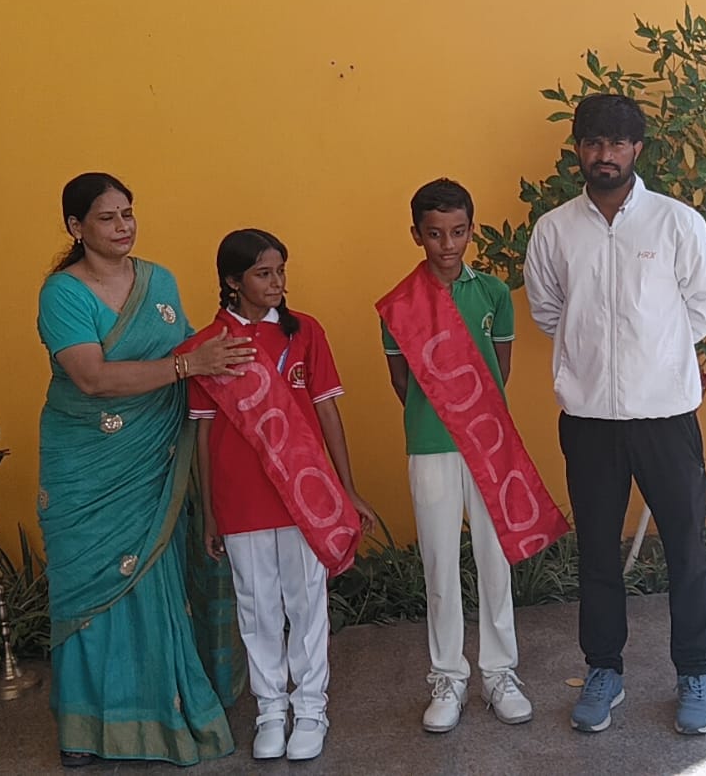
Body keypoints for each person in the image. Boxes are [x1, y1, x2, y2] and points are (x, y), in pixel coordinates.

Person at [523, 94, 706, 736]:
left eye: (616, 143)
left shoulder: (676, 223)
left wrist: (657, 356)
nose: (604, 154)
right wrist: (592, 358)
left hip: (666, 418)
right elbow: (547, 310)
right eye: (593, 142)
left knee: (686, 551)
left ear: (637, 149)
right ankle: (603, 671)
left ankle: (694, 671)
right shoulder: (555, 229)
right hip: (589, 422)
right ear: (578, 150)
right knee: (596, 554)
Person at [36, 172, 255, 768]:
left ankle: (165, 710)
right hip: (88, 462)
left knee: (156, 576)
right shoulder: (62, 294)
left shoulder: (159, 280)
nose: (123, 227)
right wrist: (189, 365)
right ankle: (86, 728)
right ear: (76, 227)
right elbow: (92, 378)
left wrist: (251, 337)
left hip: (156, 454)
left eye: (128, 214)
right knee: (92, 587)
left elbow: (192, 346)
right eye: (107, 218)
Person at [376, 179, 566, 733]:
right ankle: (447, 676)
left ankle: (500, 672)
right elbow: (402, 381)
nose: (448, 244)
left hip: (489, 441)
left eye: (458, 232)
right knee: (439, 562)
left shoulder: (494, 294)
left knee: (494, 557)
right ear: (416, 234)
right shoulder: (399, 305)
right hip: (430, 443)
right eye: (435, 234)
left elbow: (499, 369)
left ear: (471, 230)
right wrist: (441, 416)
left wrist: (474, 416)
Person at [185, 228, 375, 762]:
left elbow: (327, 412)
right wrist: (210, 512)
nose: (277, 282)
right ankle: (270, 709)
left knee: (307, 600)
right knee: (257, 605)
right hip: (239, 497)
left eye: (280, 271)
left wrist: (346, 488)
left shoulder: (306, 333)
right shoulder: (210, 347)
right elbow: (203, 433)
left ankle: (310, 707)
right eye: (263, 273)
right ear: (232, 281)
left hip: (304, 495)